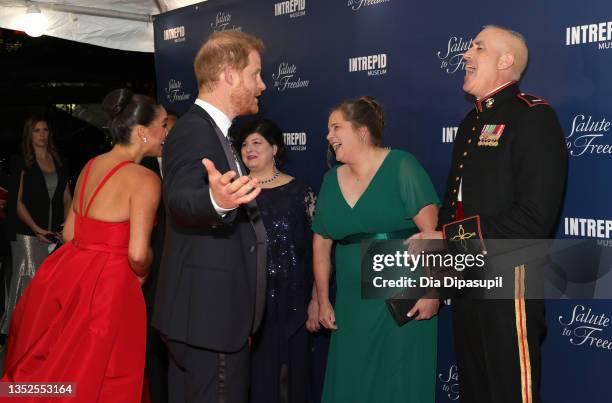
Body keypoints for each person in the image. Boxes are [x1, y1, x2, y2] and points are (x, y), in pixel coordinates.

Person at [410, 26, 567, 403]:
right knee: (475, 391)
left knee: (511, 393)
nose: (466, 55)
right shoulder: (470, 123)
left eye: (478, 47)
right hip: (466, 282)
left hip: (509, 285)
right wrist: (437, 281)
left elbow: (533, 220)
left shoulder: (533, 117)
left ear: (506, 61)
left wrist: (447, 239)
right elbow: (452, 209)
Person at [1, 88, 165, 403]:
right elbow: (138, 254)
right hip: (112, 287)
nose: (165, 133)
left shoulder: (91, 165)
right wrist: (144, 268)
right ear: (143, 133)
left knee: (63, 363)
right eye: (163, 126)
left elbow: (71, 234)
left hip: (72, 276)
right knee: (105, 373)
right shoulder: (145, 180)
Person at [152, 31, 267, 403]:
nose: (262, 86)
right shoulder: (193, 131)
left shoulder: (216, 132)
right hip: (209, 319)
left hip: (204, 318)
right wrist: (215, 201)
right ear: (230, 75)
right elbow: (181, 199)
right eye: (255, 74)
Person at [312, 96, 440, 403]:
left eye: (336, 127)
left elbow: (432, 235)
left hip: (401, 294)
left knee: (399, 380)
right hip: (350, 304)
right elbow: (320, 245)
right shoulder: (330, 179)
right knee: (351, 379)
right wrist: (321, 299)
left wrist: (432, 292)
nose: (329, 136)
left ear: (362, 131)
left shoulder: (402, 166)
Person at [231, 118, 316, 403]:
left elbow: (317, 247)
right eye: (244, 144)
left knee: (294, 377)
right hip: (252, 302)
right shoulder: (234, 195)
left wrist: (317, 296)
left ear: (275, 148)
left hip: (295, 298)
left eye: (257, 143)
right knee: (257, 377)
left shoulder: (301, 191)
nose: (249, 149)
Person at [0, 116, 71, 335]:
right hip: (28, 236)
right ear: (29, 135)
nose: (41, 134)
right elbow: (17, 202)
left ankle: (44, 337)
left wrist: (66, 228)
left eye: (45, 130)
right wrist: (36, 229)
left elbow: (67, 198)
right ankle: (22, 337)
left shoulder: (59, 161)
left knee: (51, 289)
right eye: (36, 130)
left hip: (55, 236)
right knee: (28, 287)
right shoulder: (21, 161)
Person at [141, 111, 178, 403]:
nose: (168, 136)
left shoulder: (192, 166)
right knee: (152, 339)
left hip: (183, 271)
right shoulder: (142, 168)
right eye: (164, 128)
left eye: (172, 130)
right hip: (151, 269)